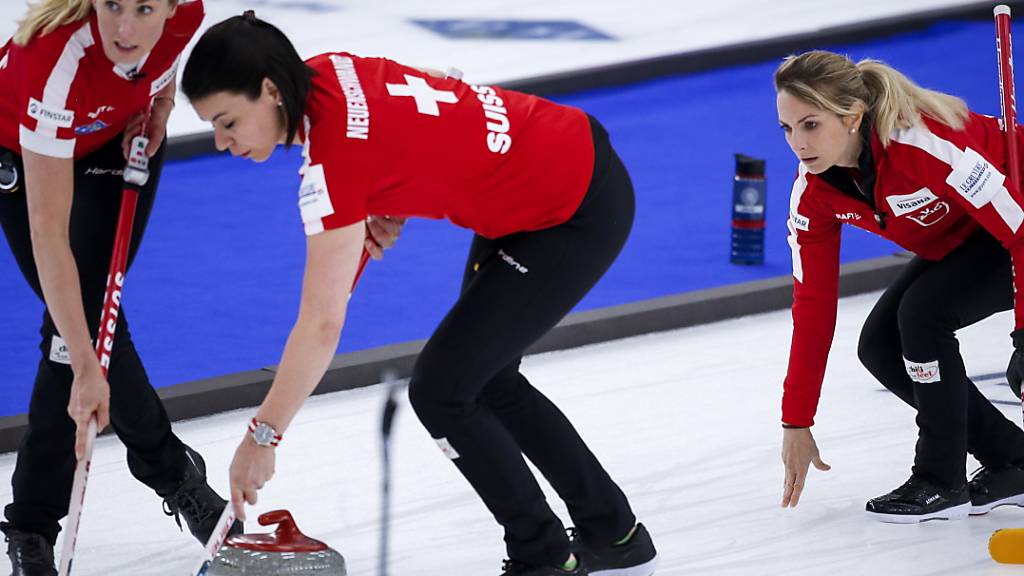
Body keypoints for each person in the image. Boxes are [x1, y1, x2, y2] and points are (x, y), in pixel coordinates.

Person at [180, 12, 658, 576]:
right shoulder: (332, 70)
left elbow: (321, 325)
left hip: (572, 210)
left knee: (444, 391)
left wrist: (264, 436)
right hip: (549, 162)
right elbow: (443, 86)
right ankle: (613, 533)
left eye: (228, 120)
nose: (221, 141)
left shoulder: (332, 167)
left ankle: (544, 558)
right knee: (486, 378)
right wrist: (393, 196)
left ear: (269, 91)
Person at [0, 1, 243, 573]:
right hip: (27, 152)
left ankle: (31, 525)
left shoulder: (184, 16)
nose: (126, 28)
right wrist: (85, 364)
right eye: (111, 5)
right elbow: (48, 236)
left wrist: (159, 106)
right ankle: (174, 472)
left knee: (85, 325)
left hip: (118, 141)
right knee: (80, 325)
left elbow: (164, 57)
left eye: (143, 8)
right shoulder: (53, 66)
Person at [775, 50, 1024, 523]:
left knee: (923, 315)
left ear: (851, 116)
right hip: (968, 239)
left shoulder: (922, 144)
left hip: (1019, 223)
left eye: (810, 125)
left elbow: (1019, 231)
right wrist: (797, 419)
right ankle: (1013, 457)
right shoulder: (813, 191)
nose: (797, 143)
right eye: (786, 129)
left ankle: (938, 479)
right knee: (880, 344)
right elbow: (812, 305)